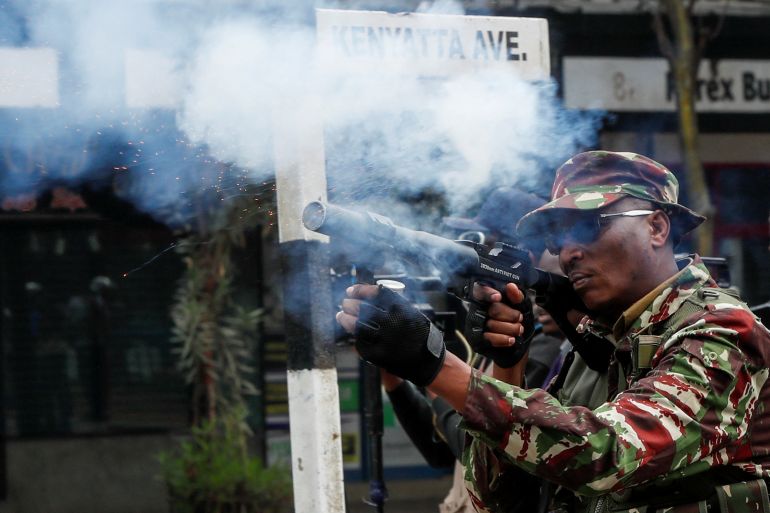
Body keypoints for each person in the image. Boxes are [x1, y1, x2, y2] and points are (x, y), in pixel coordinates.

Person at [337, 151, 770, 513]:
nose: (569, 252)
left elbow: (607, 454)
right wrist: (508, 365)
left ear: (656, 227)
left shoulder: (721, 329)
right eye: (558, 238)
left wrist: (435, 365)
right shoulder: (595, 344)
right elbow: (503, 501)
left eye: (588, 226)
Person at [381, 186, 549, 513]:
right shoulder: (495, 339)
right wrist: (394, 376)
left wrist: (432, 368)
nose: (471, 263)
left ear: (520, 258)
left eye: (483, 247)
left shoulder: (541, 344)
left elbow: (472, 446)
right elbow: (439, 453)